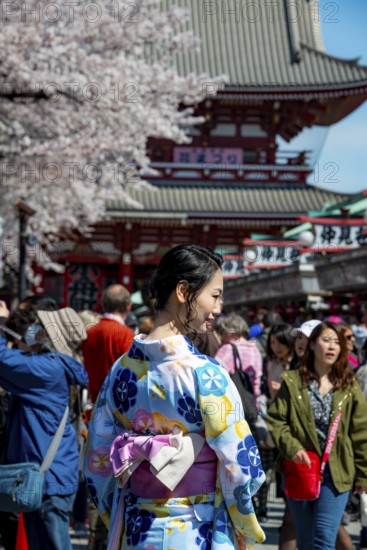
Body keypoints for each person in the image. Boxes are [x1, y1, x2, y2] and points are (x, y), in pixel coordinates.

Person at [84, 244, 266, 549]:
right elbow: (243, 466)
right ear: (183, 291)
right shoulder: (206, 374)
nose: (218, 309)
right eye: (215, 295)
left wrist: (116, 511)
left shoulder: (120, 370)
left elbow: (98, 460)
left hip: (138, 527)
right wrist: (243, 524)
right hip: (195, 526)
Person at [267, 321, 367, 550]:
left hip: (337, 471)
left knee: (323, 535)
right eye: (326, 340)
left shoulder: (348, 384)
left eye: (336, 342)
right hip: (300, 469)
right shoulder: (292, 381)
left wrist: (363, 473)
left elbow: (361, 432)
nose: (332, 346)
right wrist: (293, 448)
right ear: (311, 345)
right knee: (305, 540)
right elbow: (277, 420)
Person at [0, 301, 89, 550]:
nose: (31, 331)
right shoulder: (54, 366)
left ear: (47, 336)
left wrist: (1, 321)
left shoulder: (47, 368)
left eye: (37, 327)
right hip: (48, 478)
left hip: (49, 481)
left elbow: (4, 359)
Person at [82, 284, 135, 403]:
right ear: (128, 306)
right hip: (118, 402)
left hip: (95, 400)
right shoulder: (126, 334)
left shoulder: (90, 332)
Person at [214, 312, 263, 402]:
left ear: (229, 332)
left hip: (232, 404)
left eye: (222, 332)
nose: (221, 337)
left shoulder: (227, 349)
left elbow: (214, 376)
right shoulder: (255, 349)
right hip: (253, 403)